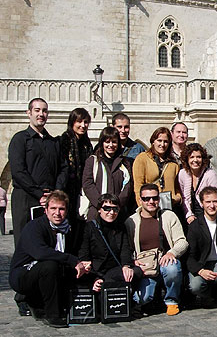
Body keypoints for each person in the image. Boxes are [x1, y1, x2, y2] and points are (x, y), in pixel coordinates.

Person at [9, 190, 90, 328]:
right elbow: (41, 253)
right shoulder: (34, 227)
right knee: (49, 265)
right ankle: (52, 314)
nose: (57, 213)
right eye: (53, 208)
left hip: (54, 272)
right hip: (24, 274)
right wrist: (73, 260)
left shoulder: (70, 228)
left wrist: (82, 263)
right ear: (45, 210)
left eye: (61, 209)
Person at [8, 98, 68, 247]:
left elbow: (64, 168)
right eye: (37, 110)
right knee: (25, 244)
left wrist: (56, 192)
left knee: (47, 244)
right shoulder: (20, 139)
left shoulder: (53, 142)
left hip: (49, 201)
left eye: (44, 111)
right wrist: (38, 194)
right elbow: (18, 171)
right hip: (26, 199)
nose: (41, 114)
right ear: (29, 113)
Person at [125, 184, 188, 316]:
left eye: (154, 198)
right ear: (140, 200)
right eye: (146, 199)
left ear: (159, 199)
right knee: (143, 298)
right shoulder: (131, 221)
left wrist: (172, 252)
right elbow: (127, 248)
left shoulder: (169, 216)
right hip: (145, 266)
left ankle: (172, 301)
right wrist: (133, 261)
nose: (151, 202)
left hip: (165, 261)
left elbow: (182, 241)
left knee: (172, 269)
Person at [78, 193, 141, 292]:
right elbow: (84, 254)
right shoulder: (89, 228)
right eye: (107, 208)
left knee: (136, 272)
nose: (111, 212)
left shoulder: (120, 227)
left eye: (115, 209)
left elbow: (125, 249)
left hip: (114, 269)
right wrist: (93, 278)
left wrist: (126, 266)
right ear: (99, 209)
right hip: (96, 271)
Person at [82, 126, 133, 221]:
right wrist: (101, 204)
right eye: (107, 142)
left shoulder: (125, 163)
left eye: (114, 142)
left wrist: (116, 204)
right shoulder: (93, 161)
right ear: (102, 143)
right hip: (97, 211)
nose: (111, 145)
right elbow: (88, 184)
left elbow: (128, 185)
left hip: (118, 212)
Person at [133, 127, 181, 208]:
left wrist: (176, 198)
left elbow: (177, 187)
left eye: (166, 142)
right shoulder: (142, 159)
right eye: (159, 140)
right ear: (153, 141)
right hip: (149, 205)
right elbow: (138, 186)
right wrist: (141, 206)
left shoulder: (173, 164)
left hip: (168, 207)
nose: (162, 144)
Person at [178, 143, 217, 225]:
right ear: (187, 159)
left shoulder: (210, 174)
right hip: (189, 215)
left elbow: (216, 199)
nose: (195, 160)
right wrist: (189, 215)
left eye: (198, 157)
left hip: (211, 214)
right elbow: (184, 198)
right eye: (192, 157)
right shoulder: (182, 174)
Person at [60, 108, 93, 220]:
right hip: (67, 189)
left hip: (82, 189)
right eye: (79, 121)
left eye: (86, 122)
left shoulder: (87, 144)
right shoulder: (64, 141)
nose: (83, 125)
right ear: (72, 122)